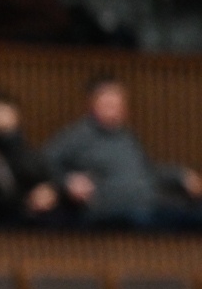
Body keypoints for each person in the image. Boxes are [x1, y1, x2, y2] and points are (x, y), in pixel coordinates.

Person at [42, 75, 202, 228]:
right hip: (114, 211)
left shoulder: (127, 137)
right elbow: (44, 161)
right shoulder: (78, 136)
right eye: (108, 102)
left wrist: (180, 175)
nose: (114, 107)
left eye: (118, 102)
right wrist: (67, 181)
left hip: (151, 204)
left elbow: (147, 171)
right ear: (92, 104)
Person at [0, 89, 60, 227]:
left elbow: (43, 176)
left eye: (8, 112)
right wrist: (26, 201)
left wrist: (48, 193)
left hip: (34, 214)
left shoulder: (25, 150)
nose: (5, 118)